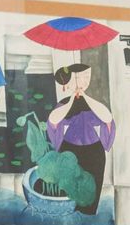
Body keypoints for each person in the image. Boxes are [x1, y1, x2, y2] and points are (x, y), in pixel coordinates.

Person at [44, 64, 117, 213]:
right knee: (69, 185)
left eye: (87, 77)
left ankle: (89, 212)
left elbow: (107, 118)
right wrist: (71, 99)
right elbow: (53, 120)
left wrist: (85, 97)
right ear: (71, 80)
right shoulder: (64, 103)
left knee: (92, 185)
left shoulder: (94, 103)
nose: (83, 81)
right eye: (79, 78)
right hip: (70, 150)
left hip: (93, 149)